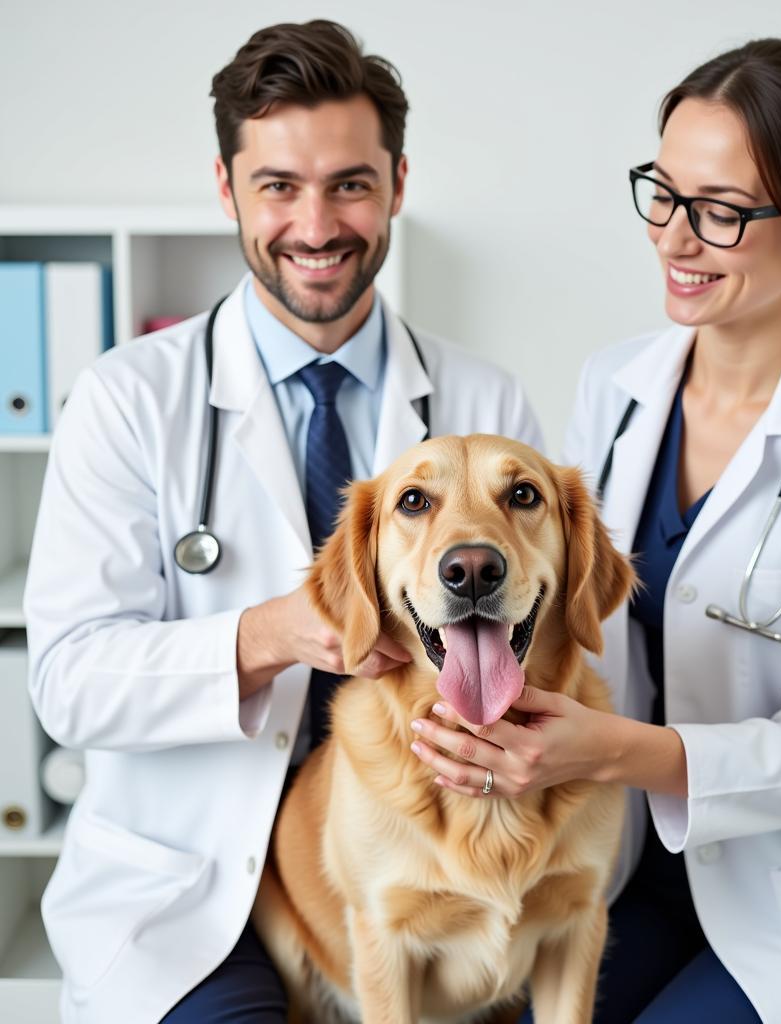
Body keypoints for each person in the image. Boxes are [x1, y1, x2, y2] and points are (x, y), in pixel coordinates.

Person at [408, 38, 781, 1023]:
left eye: (718, 210)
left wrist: (613, 751)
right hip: (627, 865)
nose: (672, 238)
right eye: (661, 193)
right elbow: (565, 614)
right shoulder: (615, 389)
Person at [24, 20, 542, 1024]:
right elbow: (68, 684)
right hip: (198, 897)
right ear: (227, 189)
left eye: (350, 183)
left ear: (397, 183)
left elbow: (545, 644)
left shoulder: (485, 406)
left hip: (436, 877)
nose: (316, 224)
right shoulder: (126, 400)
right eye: (278, 187)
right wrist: (271, 634)